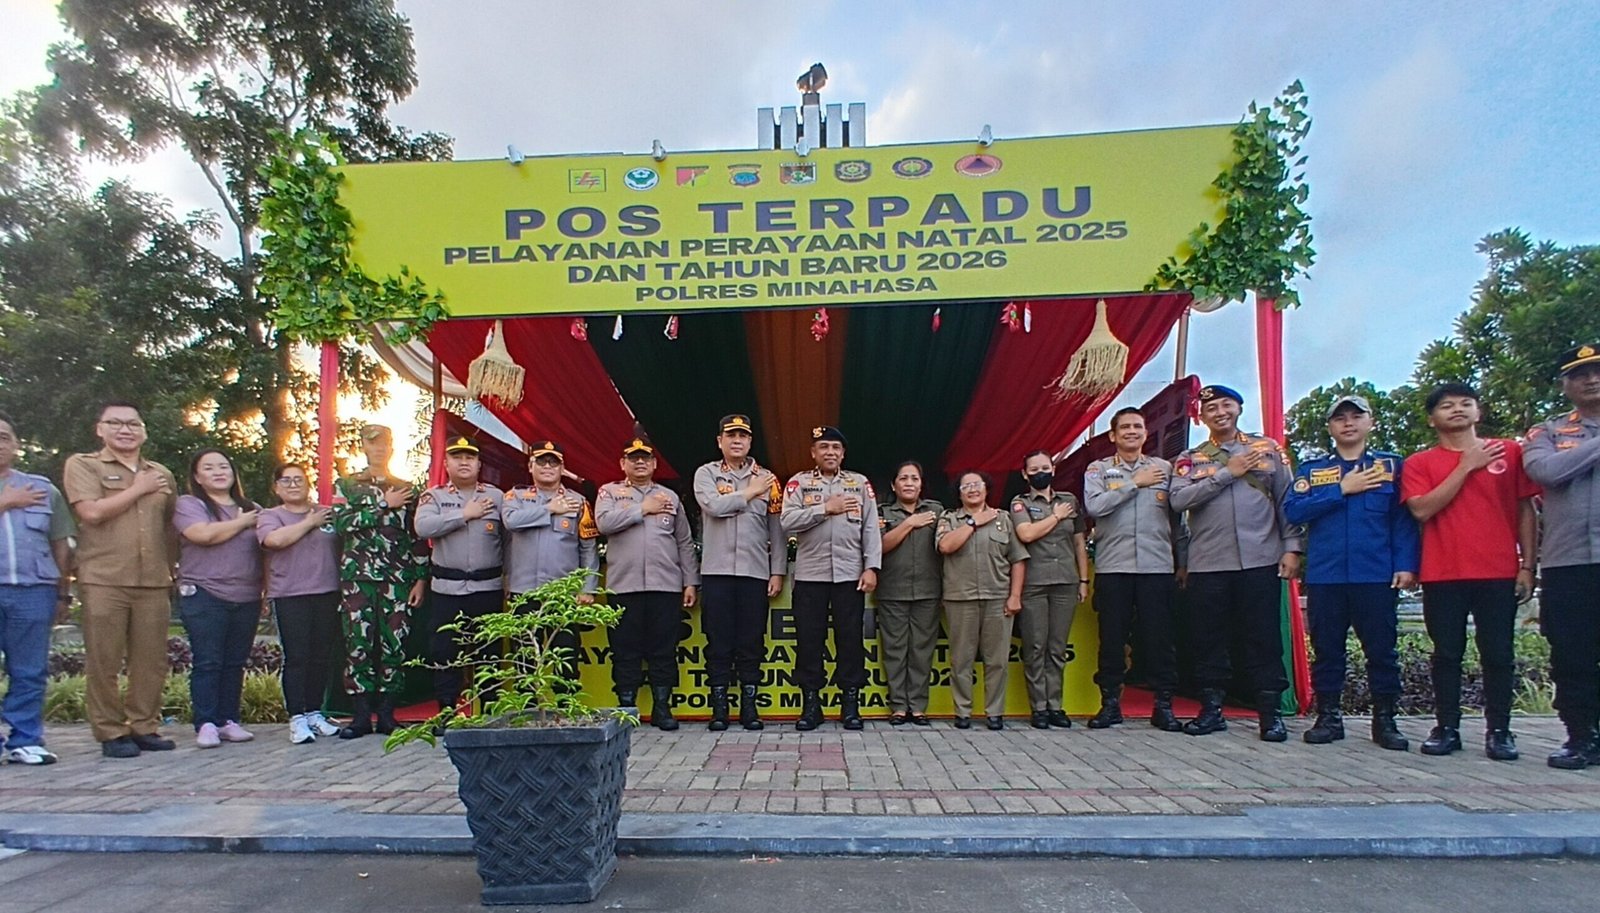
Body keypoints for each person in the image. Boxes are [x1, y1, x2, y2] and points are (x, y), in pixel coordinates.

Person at [1402, 382, 1538, 761]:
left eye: (1466, 403)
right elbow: (1421, 509)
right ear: (1432, 419)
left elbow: (1526, 510)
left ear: (1479, 411)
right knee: (1447, 654)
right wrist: (1466, 466)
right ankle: (1446, 728)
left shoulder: (1508, 452)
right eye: (1447, 406)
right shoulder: (1419, 463)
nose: (1457, 410)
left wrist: (1528, 565)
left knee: (1498, 653)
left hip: (1498, 570)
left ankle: (1500, 731)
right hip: (1442, 572)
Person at [1282, 395, 1418, 751]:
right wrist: (1341, 490)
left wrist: (1406, 564)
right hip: (1326, 576)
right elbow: (1294, 511)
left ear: (1370, 422)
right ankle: (1328, 717)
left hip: (1376, 574)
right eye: (1340, 418)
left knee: (1382, 651)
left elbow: (1403, 520)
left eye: (1356, 416)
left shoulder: (1391, 466)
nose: (1348, 423)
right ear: (1330, 427)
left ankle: (1385, 720)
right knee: (1327, 650)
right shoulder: (1313, 470)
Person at [1169, 384, 1304, 741]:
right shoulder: (1191, 458)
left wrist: (1292, 548)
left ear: (1239, 408)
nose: (1220, 412)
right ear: (1202, 417)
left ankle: (1270, 713)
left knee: (1262, 636)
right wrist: (1226, 473)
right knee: (1208, 638)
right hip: (1208, 562)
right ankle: (1211, 709)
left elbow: (1286, 501)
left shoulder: (1267, 449)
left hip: (1260, 558)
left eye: (1226, 404)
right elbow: (1178, 500)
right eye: (1211, 408)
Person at [62, 401, 180, 759]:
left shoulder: (161, 474)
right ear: (100, 429)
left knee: (151, 662)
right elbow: (91, 512)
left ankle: (144, 726)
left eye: (133, 424)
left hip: (153, 579)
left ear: (144, 432)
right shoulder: (84, 465)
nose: (125, 429)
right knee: (104, 660)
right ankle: (111, 731)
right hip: (104, 578)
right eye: (115, 423)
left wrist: (172, 567)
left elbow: (169, 527)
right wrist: (139, 488)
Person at [1083, 406, 1187, 733]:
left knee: (1159, 638)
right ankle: (1110, 704)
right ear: (1113, 436)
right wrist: (1134, 483)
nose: (1131, 431)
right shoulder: (1099, 470)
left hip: (1157, 567)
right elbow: (1095, 506)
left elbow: (1178, 521)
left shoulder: (1164, 469)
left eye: (1137, 426)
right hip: (1114, 566)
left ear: (1145, 433)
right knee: (1112, 638)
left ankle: (1163, 705)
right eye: (1124, 427)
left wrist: (1182, 562)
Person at [1524, 344, 1600, 769]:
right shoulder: (1547, 432)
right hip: (1567, 562)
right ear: (1565, 384)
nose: (1592, 379)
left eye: (1597, 371)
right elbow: (1548, 472)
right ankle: (1581, 736)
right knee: (1572, 654)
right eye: (1580, 373)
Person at [780, 426, 882, 731]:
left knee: (850, 641)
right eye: (824, 447)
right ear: (813, 452)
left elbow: (870, 529)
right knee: (809, 641)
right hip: (811, 576)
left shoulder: (859, 483)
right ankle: (811, 706)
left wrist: (871, 567)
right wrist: (824, 508)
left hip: (850, 576)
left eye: (836, 447)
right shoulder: (799, 483)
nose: (830, 452)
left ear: (843, 453)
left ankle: (850, 705)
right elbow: (787, 521)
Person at [596, 435, 699, 731]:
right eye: (633, 458)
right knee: (624, 649)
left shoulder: (670, 497)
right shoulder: (610, 492)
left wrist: (690, 581)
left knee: (663, 650)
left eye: (645, 458)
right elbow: (604, 523)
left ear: (654, 464)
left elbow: (684, 541)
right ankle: (627, 708)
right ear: (623, 463)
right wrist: (642, 509)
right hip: (623, 587)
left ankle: (662, 708)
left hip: (664, 586)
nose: (639, 462)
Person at [331, 424, 428, 739]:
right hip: (358, 579)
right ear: (363, 447)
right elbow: (340, 524)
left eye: (384, 443)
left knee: (394, 644)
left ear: (391, 448)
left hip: (397, 580)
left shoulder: (406, 488)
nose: (379, 449)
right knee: (358, 645)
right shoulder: (347, 485)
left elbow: (416, 537)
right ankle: (360, 716)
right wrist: (383, 505)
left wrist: (420, 579)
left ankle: (387, 714)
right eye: (373, 444)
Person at [692, 415, 785, 731]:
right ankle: (719, 709)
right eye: (730, 435)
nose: (737, 441)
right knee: (717, 641)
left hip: (754, 572)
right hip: (716, 572)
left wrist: (777, 570)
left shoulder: (768, 479)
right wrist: (748, 493)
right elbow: (714, 507)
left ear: (750, 441)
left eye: (742, 436)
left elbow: (777, 529)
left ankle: (749, 707)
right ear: (719, 441)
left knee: (751, 641)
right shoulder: (706, 474)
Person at [173, 448, 263, 749]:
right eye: (209, 468)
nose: (218, 472)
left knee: (235, 662)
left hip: (247, 594)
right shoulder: (190, 504)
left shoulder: (251, 508)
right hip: (204, 593)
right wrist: (241, 523)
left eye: (223, 466)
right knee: (208, 661)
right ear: (197, 477)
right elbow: (203, 535)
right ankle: (206, 723)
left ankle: (228, 720)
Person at [0, 412, 74, 765]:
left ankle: (25, 739)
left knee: (29, 671)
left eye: (4, 437)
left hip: (34, 591)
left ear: (17, 445)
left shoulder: (42, 489)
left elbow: (62, 543)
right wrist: (6, 502)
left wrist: (62, 592)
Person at [414, 437, 506, 715]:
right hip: (447, 590)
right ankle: (446, 711)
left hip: (488, 588)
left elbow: (511, 541)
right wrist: (463, 515)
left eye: (470, 457)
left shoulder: (497, 497)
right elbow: (423, 527)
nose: (464, 462)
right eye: (457, 457)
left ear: (479, 464)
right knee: (445, 652)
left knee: (489, 653)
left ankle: (489, 712)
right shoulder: (435, 496)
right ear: (446, 464)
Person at [502, 440, 600, 700]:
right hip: (525, 591)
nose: (547, 466)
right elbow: (510, 521)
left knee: (566, 656)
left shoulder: (579, 502)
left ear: (562, 468)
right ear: (530, 466)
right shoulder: (515, 497)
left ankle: (566, 708)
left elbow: (588, 548)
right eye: (541, 461)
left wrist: (588, 587)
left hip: (563, 594)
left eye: (553, 462)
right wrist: (548, 509)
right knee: (524, 656)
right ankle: (528, 709)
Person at [259, 463, 344, 744]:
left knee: (321, 656)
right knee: (297, 657)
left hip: (327, 592)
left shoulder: (327, 513)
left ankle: (314, 712)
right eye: (287, 480)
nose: (294, 485)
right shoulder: (271, 516)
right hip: (290, 594)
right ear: (276, 487)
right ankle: (296, 717)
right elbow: (274, 541)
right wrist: (309, 522)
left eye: (299, 479)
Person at [937, 471, 1029, 730]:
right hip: (960, 598)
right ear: (959, 493)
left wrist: (1015, 596)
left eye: (977, 484)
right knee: (961, 660)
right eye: (966, 486)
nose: (972, 489)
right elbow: (945, 546)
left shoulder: (1004, 519)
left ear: (987, 489)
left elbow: (1018, 559)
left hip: (997, 597)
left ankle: (994, 712)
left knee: (997, 660)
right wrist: (973, 522)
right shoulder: (949, 518)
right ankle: (962, 711)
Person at [1010, 450, 1089, 729]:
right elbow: (1026, 534)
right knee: (1035, 647)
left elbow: (1079, 542)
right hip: (1034, 583)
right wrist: (1055, 517)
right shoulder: (1020, 503)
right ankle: (1039, 707)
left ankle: (1055, 705)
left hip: (1065, 582)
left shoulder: (1069, 501)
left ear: (1054, 469)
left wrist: (1083, 580)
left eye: (1045, 467)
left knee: (1057, 647)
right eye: (1034, 469)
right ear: (1025, 474)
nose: (1040, 473)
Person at [875, 460, 942, 727]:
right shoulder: (882, 512)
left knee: (921, 651)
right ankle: (898, 707)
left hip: (928, 590)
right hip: (893, 590)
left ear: (921, 484)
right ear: (894, 485)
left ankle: (918, 706)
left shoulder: (936, 511)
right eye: (903, 478)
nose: (909, 483)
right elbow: (880, 546)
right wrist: (909, 523)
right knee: (894, 651)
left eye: (914, 478)